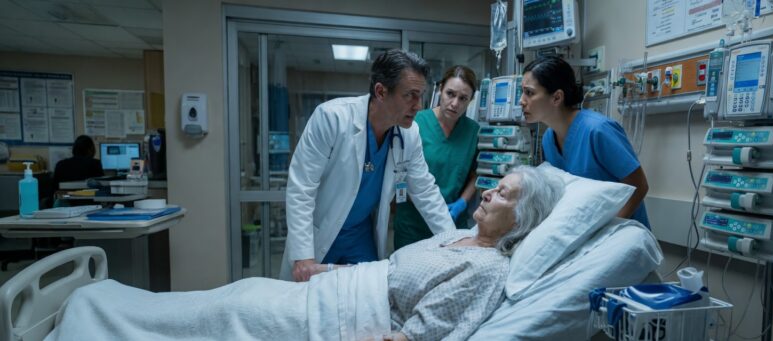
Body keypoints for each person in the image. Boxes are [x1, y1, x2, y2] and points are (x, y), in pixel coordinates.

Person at [47, 166, 565, 341]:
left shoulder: (486, 269)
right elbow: (387, 268)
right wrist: (323, 268)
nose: (491, 193)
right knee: (229, 299)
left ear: (520, 221)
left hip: (335, 319)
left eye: (505, 194)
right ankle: (97, 308)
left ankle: (89, 318)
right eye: (495, 186)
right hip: (328, 289)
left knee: (226, 314)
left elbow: (415, 336)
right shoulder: (456, 238)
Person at [282, 49, 455, 282]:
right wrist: (303, 257)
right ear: (381, 91)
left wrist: (455, 243)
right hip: (319, 236)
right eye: (410, 95)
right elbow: (301, 188)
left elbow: (425, 191)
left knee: (367, 303)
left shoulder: (409, 134)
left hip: (360, 238)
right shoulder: (331, 118)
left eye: (421, 95)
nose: (418, 105)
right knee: (308, 308)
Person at [520, 56, 651, 228]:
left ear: (557, 98)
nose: (521, 101)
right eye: (522, 92)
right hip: (583, 229)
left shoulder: (598, 130)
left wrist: (608, 229)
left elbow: (639, 185)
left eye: (529, 93)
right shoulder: (548, 140)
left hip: (621, 234)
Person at [393, 65, 480, 250]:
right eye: (450, 94)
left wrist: (462, 202)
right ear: (440, 90)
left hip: (453, 221)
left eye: (463, 98)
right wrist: (430, 206)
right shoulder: (415, 123)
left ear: (471, 100)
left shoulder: (473, 131)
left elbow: (476, 174)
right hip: (413, 223)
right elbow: (399, 173)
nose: (455, 103)